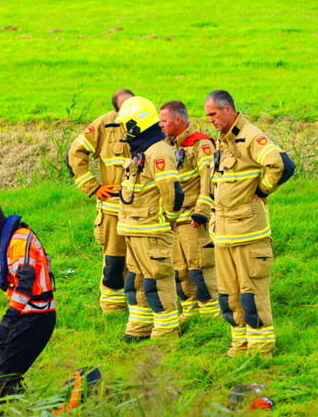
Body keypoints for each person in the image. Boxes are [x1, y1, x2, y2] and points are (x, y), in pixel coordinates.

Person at [204, 90, 294, 358]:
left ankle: (261, 351)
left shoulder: (251, 135)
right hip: (223, 235)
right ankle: (240, 346)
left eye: (213, 114)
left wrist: (263, 190)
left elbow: (281, 164)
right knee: (229, 297)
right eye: (208, 115)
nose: (210, 119)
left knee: (251, 296)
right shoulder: (223, 140)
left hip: (248, 234)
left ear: (228, 110)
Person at [0, 196, 56, 401]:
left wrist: (7, 323)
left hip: (37, 318)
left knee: (3, 378)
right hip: (25, 316)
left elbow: (25, 283)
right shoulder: (12, 238)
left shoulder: (20, 240)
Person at [115, 96, 183, 341]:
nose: (125, 131)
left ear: (137, 124)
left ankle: (165, 333)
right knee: (136, 281)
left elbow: (172, 190)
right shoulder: (141, 149)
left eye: (127, 125)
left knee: (157, 281)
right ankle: (139, 329)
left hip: (151, 229)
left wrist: (172, 218)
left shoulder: (159, 151)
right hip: (134, 227)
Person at [65, 89, 134, 312]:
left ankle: (140, 307)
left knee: (142, 262)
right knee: (114, 261)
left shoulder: (148, 123)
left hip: (143, 208)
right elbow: (75, 152)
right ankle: (113, 309)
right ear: (115, 110)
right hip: (112, 208)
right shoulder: (104, 125)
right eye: (124, 108)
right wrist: (92, 187)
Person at [158, 100, 220, 320]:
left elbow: (209, 180)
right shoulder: (166, 145)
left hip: (194, 219)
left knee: (200, 268)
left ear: (178, 120)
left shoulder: (201, 144)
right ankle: (189, 310)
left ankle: (211, 313)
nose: (160, 125)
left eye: (164, 121)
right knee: (180, 270)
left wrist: (202, 212)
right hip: (174, 220)